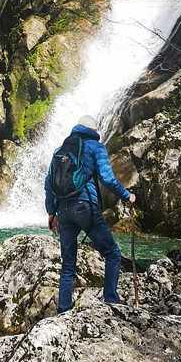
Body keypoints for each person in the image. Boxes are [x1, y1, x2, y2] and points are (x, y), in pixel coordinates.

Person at [44, 113, 135, 313]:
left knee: (68, 264)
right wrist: (126, 195)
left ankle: (64, 309)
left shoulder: (60, 150)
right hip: (85, 206)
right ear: (94, 131)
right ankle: (111, 299)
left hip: (63, 211)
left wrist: (51, 212)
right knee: (112, 253)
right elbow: (107, 179)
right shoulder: (96, 147)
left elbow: (49, 183)